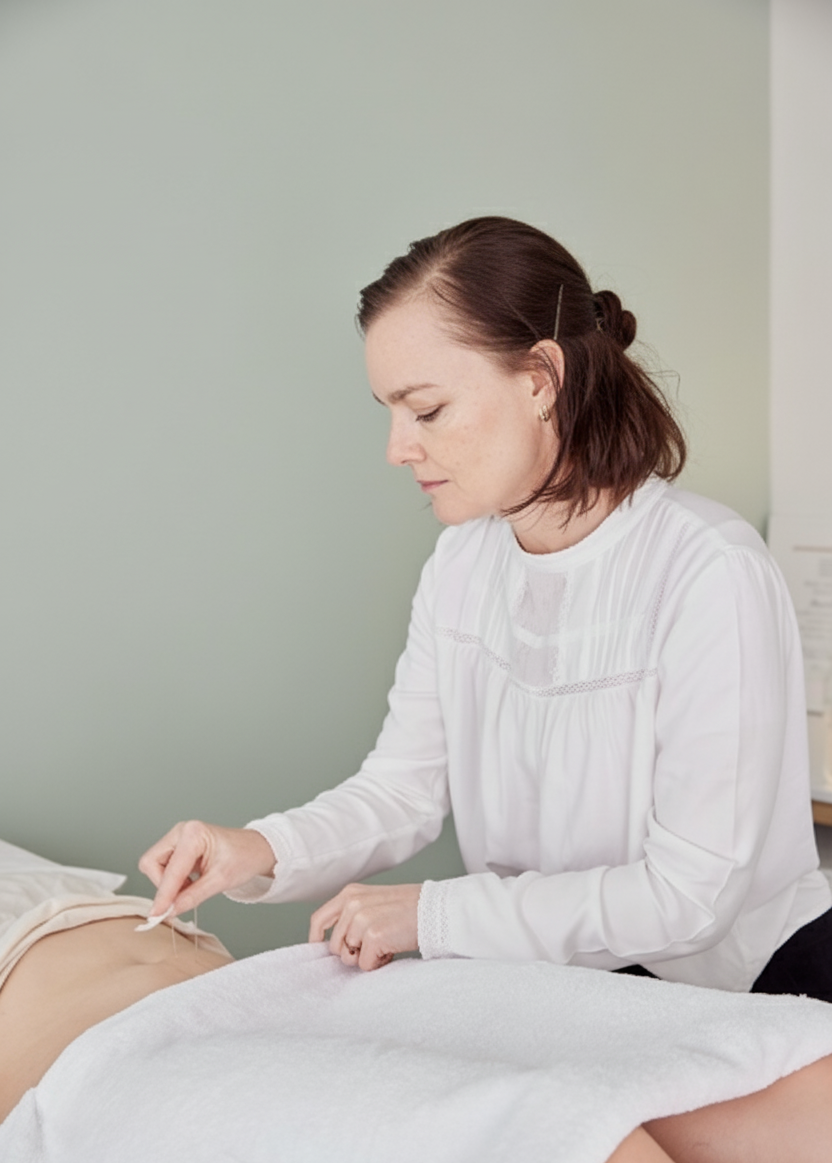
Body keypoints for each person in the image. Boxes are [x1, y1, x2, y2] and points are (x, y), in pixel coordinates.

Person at [141, 216, 832, 1004]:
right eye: (390, 412)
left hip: (750, 984)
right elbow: (403, 788)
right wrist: (258, 847)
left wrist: (432, 914)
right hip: (561, 983)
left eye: (426, 410)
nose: (397, 448)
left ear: (541, 378)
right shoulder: (463, 563)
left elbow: (688, 899)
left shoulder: (709, 570)